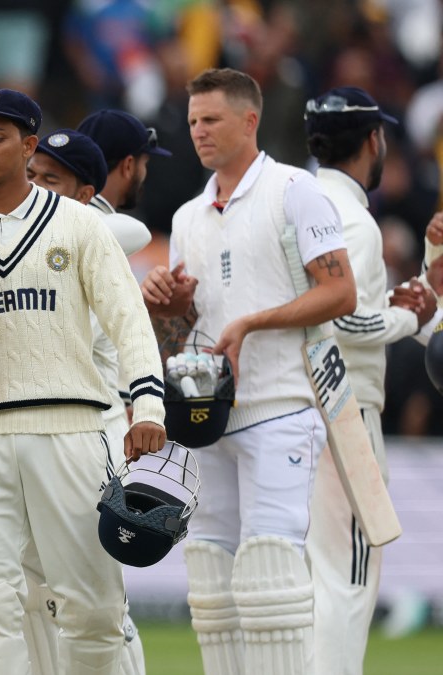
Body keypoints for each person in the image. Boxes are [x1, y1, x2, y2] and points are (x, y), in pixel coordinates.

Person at [0, 88, 167, 675]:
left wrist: (148, 406)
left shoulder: (80, 225)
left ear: (28, 146)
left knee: (94, 606)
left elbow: (127, 318)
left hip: (70, 428)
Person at [141, 68, 357, 675]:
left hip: (281, 403)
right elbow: (185, 334)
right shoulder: (187, 217)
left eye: (211, 120)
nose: (199, 132)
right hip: (207, 415)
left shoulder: (294, 191)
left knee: (270, 573)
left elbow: (342, 292)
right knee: (211, 580)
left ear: (250, 120)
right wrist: (171, 308)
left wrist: (252, 323)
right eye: (192, 122)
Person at [303, 86, 435, 675]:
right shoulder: (351, 219)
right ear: (375, 141)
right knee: (348, 580)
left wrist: (421, 283)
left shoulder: (297, 206)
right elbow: (343, 317)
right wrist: (412, 315)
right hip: (343, 412)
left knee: (309, 584)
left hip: (294, 411)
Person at [27, 128, 147, 675]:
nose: (35, 190)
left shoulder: (99, 235)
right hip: (40, 440)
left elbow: (131, 227)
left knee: (99, 609)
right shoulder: (42, 239)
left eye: (50, 180)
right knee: (47, 602)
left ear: (84, 194)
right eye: (32, 177)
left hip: (94, 440)